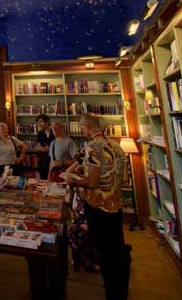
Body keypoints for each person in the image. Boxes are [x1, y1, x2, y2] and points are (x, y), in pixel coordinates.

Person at [63, 114, 130, 300]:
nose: (82, 130)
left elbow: (93, 182)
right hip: (115, 205)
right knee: (116, 249)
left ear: (86, 126)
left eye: (82, 127)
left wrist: (73, 181)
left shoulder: (93, 147)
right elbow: (122, 177)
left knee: (106, 254)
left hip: (98, 207)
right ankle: (121, 290)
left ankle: (113, 292)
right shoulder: (116, 145)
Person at [36, 114, 54, 178]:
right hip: (43, 161)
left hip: (54, 161)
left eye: (41, 122)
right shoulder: (40, 133)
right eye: (38, 122)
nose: (39, 124)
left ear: (47, 122)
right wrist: (42, 149)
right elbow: (37, 147)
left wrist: (49, 149)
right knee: (43, 180)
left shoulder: (55, 131)